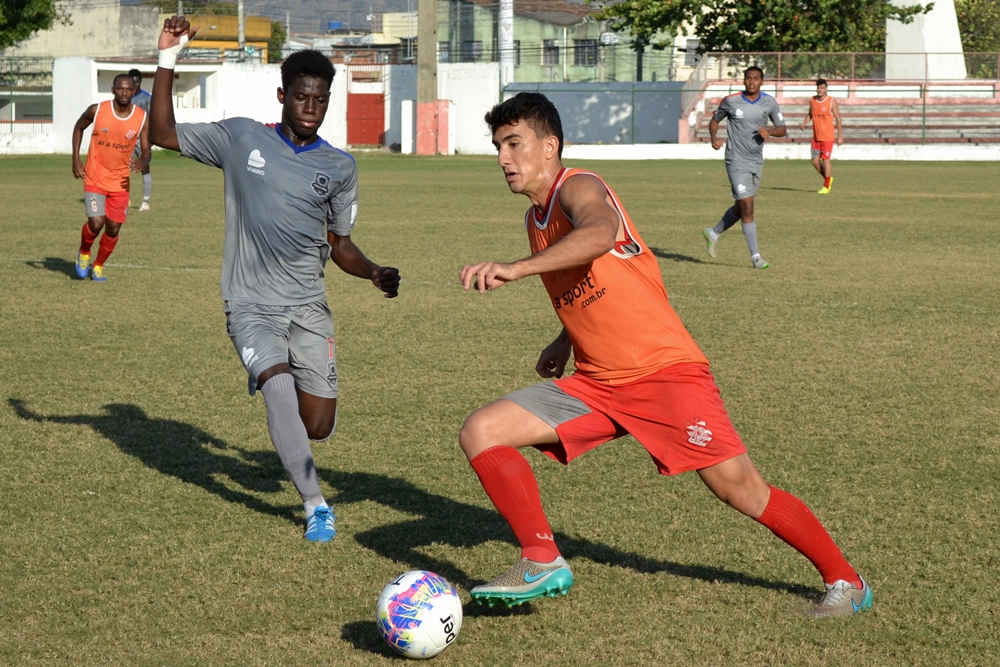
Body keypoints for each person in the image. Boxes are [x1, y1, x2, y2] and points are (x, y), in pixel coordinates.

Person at [458, 92, 870, 618]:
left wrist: (516, 268)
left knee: (742, 491)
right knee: (482, 431)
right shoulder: (534, 220)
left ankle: (846, 579)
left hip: (664, 374)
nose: (503, 158)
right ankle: (541, 557)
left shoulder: (579, 186)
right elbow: (590, 279)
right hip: (599, 384)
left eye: (514, 144)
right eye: (498, 146)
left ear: (549, 146)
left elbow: (599, 234)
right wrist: (562, 339)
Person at [150, 16, 401, 542]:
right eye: (303, 98)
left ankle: (286, 411)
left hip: (308, 306)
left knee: (318, 426)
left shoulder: (340, 166)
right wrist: (168, 57)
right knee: (278, 385)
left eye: (322, 100)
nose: (311, 108)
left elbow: (340, 245)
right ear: (283, 95)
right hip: (250, 303)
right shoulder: (241, 138)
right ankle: (315, 506)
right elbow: (164, 133)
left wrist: (374, 271)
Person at [702, 66, 786, 269]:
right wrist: (714, 138)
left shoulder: (769, 102)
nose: (751, 82)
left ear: (762, 81)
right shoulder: (731, 101)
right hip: (735, 160)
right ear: (744, 80)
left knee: (741, 209)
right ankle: (756, 258)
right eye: (748, 78)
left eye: (756, 79)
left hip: (756, 162)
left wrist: (770, 132)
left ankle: (712, 233)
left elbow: (783, 129)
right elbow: (715, 120)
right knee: (748, 206)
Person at [72, 73, 151, 282]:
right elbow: (78, 127)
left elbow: (146, 149)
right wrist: (76, 160)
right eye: (120, 88)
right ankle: (84, 252)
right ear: (113, 89)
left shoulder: (141, 116)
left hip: (120, 181)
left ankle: (98, 266)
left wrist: (144, 160)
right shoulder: (97, 111)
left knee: (113, 228)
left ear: (134, 91)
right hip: (95, 177)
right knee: (96, 223)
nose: (124, 92)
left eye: (128, 89)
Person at [799, 78, 843, 195]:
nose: (820, 90)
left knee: (826, 160)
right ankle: (828, 178)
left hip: (827, 137)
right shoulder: (812, 100)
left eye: (822, 88)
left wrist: (840, 136)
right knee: (814, 161)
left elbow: (838, 119)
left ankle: (826, 186)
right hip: (816, 137)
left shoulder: (831, 101)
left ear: (826, 89)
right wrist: (804, 123)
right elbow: (810, 114)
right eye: (818, 87)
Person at [128, 68, 154, 210]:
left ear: (140, 82)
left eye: (137, 82)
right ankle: (125, 199)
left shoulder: (146, 98)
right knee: (123, 169)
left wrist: (150, 139)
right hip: (127, 137)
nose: (135, 85)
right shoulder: (124, 97)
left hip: (143, 138)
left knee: (145, 167)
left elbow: (152, 118)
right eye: (133, 82)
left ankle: (145, 202)